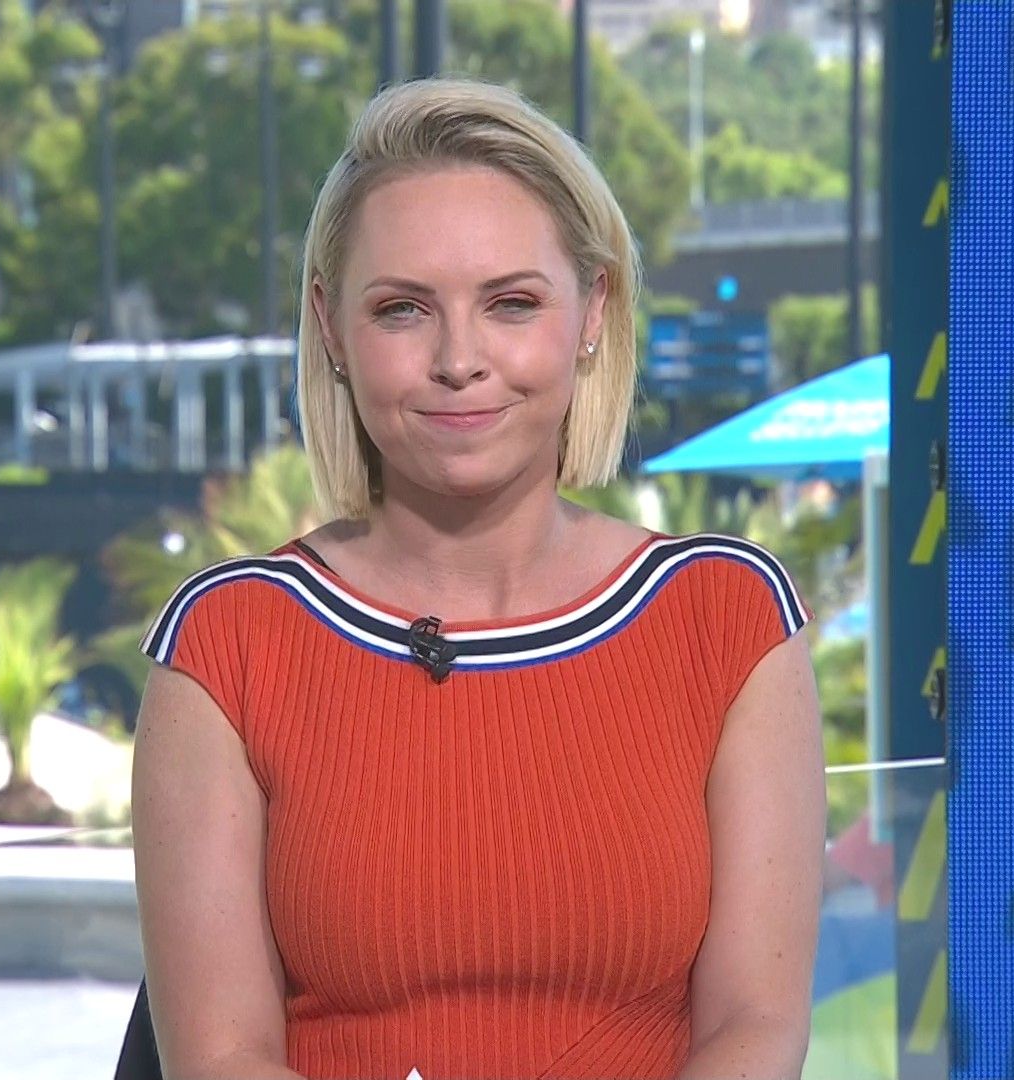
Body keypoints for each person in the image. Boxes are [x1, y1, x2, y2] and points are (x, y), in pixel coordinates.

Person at [132, 77, 825, 1080]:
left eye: (511, 304)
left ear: (592, 311)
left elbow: (754, 1029)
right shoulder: (227, 644)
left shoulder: (728, 619)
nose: (459, 360)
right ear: (330, 327)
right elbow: (222, 1059)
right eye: (402, 310)